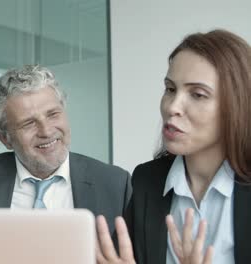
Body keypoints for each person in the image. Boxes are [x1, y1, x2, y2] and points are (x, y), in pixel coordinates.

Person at [96, 29, 251, 264]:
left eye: (198, 94)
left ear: (237, 105)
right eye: (170, 89)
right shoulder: (147, 180)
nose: (172, 107)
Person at [0, 64, 132, 234]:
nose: (46, 131)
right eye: (28, 124)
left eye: (53, 114)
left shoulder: (114, 184)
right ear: (5, 139)